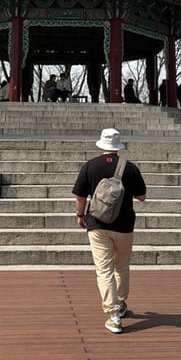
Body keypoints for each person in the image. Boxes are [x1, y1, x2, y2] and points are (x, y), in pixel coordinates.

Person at [72, 128, 146, 335]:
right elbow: (142, 196)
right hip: (124, 226)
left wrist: (80, 215)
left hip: (97, 224)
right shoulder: (130, 168)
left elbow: (80, 195)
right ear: (118, 146)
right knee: (121, 266)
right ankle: (121, 302)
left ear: (101, 145)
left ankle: (113, 315)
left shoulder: (90, 166)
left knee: (104, 269)